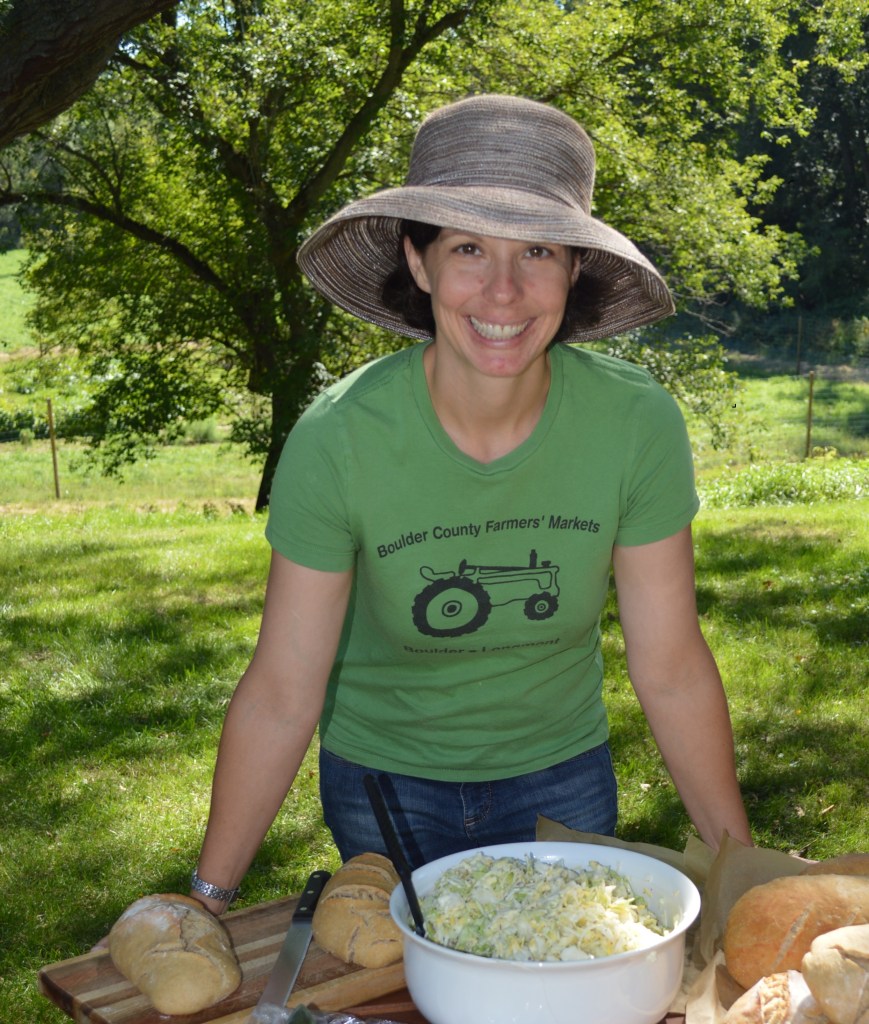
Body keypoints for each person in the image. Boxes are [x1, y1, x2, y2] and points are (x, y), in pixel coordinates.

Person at [188, 94, 753, 915]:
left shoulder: (635, 423)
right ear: (418, 264)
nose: (503, 291)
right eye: (467, 249)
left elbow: (669, 668)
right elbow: (281, 690)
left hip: (564, 779)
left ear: (573, 269)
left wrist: (740, 872)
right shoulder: (338, 437)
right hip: (384, 784)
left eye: (536, 251)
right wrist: (205, 900)